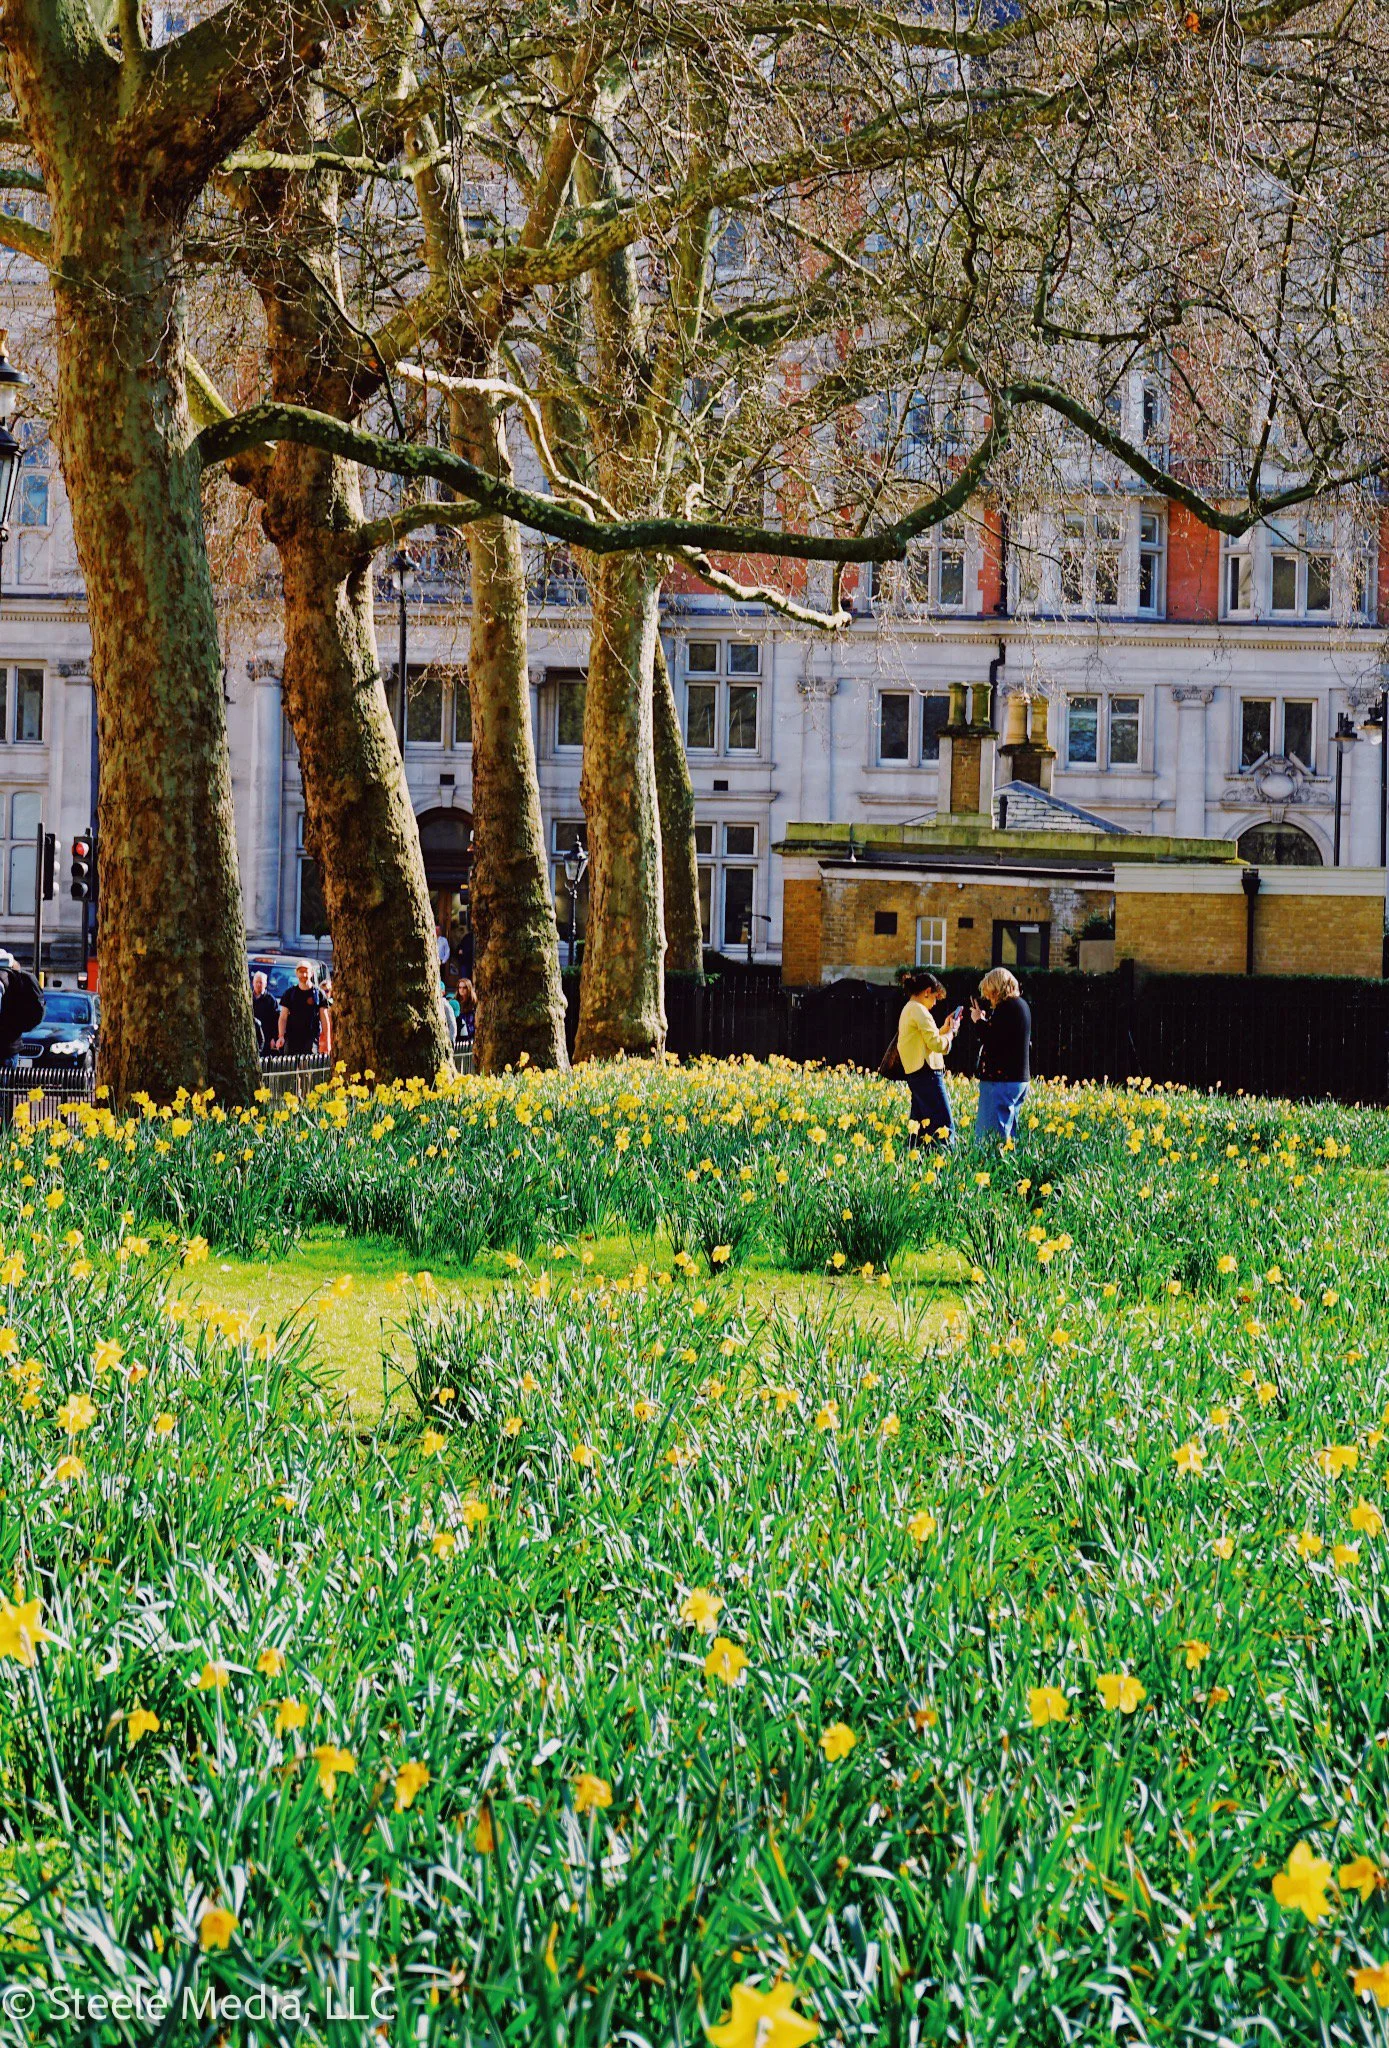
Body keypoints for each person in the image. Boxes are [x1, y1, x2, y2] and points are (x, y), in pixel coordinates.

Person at [896, 969, 959, 1147]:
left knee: (919, 1129)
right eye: (935, 998)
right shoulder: (920, 1011)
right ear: (927, 992)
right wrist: (952, 1033)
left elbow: (928, 1042)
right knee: (944, 1127)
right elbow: (937, 1045)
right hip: (927, 1074)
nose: (934, 1004)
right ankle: (946, 1166)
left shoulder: (909, 1009)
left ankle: (913, 1164)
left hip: (917, 1073)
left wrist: (945, 1030)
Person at [971, 966, 1031, 1143]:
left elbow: (992, 1040)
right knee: (1008, 1134)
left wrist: (977, 1022)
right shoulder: (1021, 1005)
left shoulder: (1006, 1007)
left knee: (989, 1138)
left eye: (990, 994)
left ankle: (989, 1169)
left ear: (998, 989)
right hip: (1019, 1079)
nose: (989, 999)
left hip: (1001, 1080)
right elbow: (1007, 1037)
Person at [275, 959, 324, 1060]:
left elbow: (325, 1018)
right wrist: (281, 1036)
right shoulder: (289, 994)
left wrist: (327, 1041)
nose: (304, 974)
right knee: (290, 1069)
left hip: (311, 1038)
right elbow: (283, 1017)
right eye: (301, 972)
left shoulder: (318, 994)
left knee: (308, 1070)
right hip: (292, 1038)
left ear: (311, 973)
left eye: (306, 971)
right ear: (296, 973)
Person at [250, 971, 279, 1058]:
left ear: (265, 984)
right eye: (257, 982)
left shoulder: (271, 1000)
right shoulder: (247, 997)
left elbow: (276, 1020)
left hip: (266, 1038)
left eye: (261, 982)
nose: (259, 984)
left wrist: (274, 1038)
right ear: (253, 983)